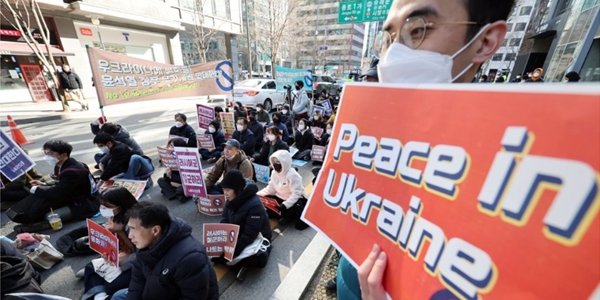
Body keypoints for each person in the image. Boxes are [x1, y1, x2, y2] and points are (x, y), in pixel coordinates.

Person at [335, 0, 515, 298]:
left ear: (485, 41)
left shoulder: (508, 177)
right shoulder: (371, 139)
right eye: (388, 38)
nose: (393, 55)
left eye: (417, 30)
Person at [124, 202, 219, 300]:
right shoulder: (144, 245)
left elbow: (193, 297)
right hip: (157, 291)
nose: (130, 235)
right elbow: (137, 281)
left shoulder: (190, 257)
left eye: (133, 229)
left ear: (155, 230)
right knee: (118, 295)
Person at [7, 140, 99, 232]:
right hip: (68, 195)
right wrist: (43, 184)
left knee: (50, 216)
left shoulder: (72, 171)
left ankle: (40, 225)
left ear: (63, 155)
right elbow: (61, 184)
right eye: (46, 154)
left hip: (82, 203)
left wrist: (35, 189)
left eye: (50, 154)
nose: (47, 157)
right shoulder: (61, 165)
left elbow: (57, 192)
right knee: (40, 199)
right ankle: (27, 217)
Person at [80, 187, 138, 300]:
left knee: (112, 284)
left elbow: (139, 253)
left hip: (139, 264)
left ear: (120, 207)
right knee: (91, 266)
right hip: (128, 257)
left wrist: (120, 232)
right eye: (102, 205)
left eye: (107, 206)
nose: (102, 209)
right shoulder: (115, 219)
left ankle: (99, 291)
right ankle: (100, 296)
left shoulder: (136, 222)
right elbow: (123, 250)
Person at [216, 170, 273, 281]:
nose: (225, 193)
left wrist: (232, 252)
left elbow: (250, 234)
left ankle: (245, 264)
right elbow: (225, 218)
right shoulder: (231, 198)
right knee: (218, 253)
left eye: (227, 190)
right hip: (239, 232)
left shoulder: (254, 205)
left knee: (247, 258)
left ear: (237, 190)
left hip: (258, 236)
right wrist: (222, 238)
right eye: (223, 190)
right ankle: (237, 262)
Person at [257, 150, 308, 230]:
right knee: (264, 202)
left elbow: (296, 194)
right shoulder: (274, 173)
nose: (275, 164)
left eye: (277, 161)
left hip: (294, 200)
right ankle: (285, 216)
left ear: (284, 162)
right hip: (280, 197)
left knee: (288, 210)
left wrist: (286, 204)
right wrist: (258, 195)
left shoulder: (293, 175)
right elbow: (271, 188)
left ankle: (288, 217)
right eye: (273, 161)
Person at [157, 138, 191, 203]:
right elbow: (167, 177)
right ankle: (177, 195)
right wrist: (168, 174)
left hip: (185, 182)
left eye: (172, 146)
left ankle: (173, 192)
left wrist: (171, 177)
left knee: (181, 190)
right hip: (174, 181)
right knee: (161, 181)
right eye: (169, 146)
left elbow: (186, 179)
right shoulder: (170, 157)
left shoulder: (187, 158)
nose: (169, 148)